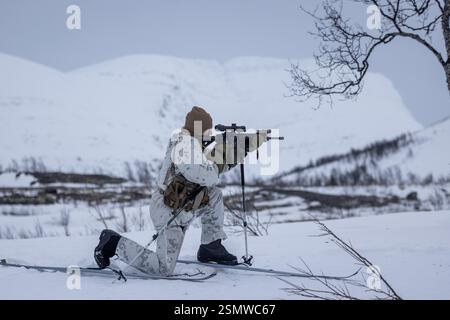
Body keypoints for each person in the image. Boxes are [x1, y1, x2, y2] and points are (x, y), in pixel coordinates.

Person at [93, 106, 266, 276]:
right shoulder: (184, 145)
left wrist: (238, 146)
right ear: (197, 128)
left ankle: (210, 246)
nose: (209, 134)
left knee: (214, 196)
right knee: (163, 269)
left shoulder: (193, 145)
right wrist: (227, 150)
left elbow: (209, 165)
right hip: (168, 211)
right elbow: (206, 174)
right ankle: (113, 243)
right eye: (206, 130)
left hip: (184, 204)